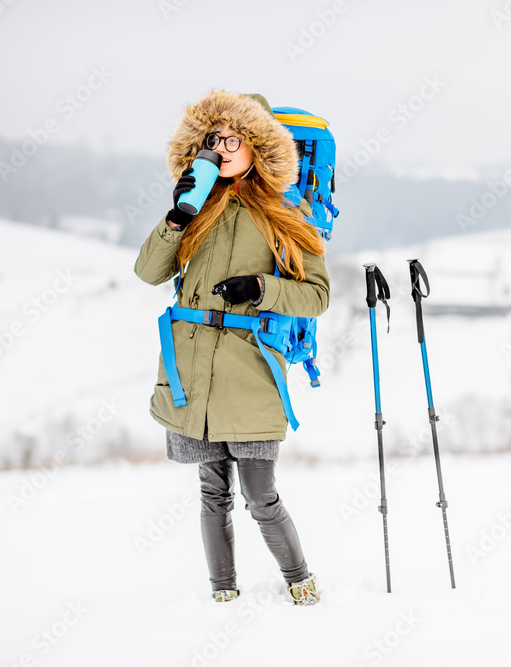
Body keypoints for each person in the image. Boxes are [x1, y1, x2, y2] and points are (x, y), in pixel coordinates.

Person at [133, 90, 329, 606]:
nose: (220, 148)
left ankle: (301, 582)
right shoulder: (195, 206)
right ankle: (223, 595)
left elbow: (317, 295)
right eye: (212, 140)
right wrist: (176, 217)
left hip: (250, 368)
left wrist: (262, 289)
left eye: (232, 139)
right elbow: (148, 272)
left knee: (260, 495)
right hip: (192, 369)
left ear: (258, 146)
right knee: (211, 495)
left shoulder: (289, 211)